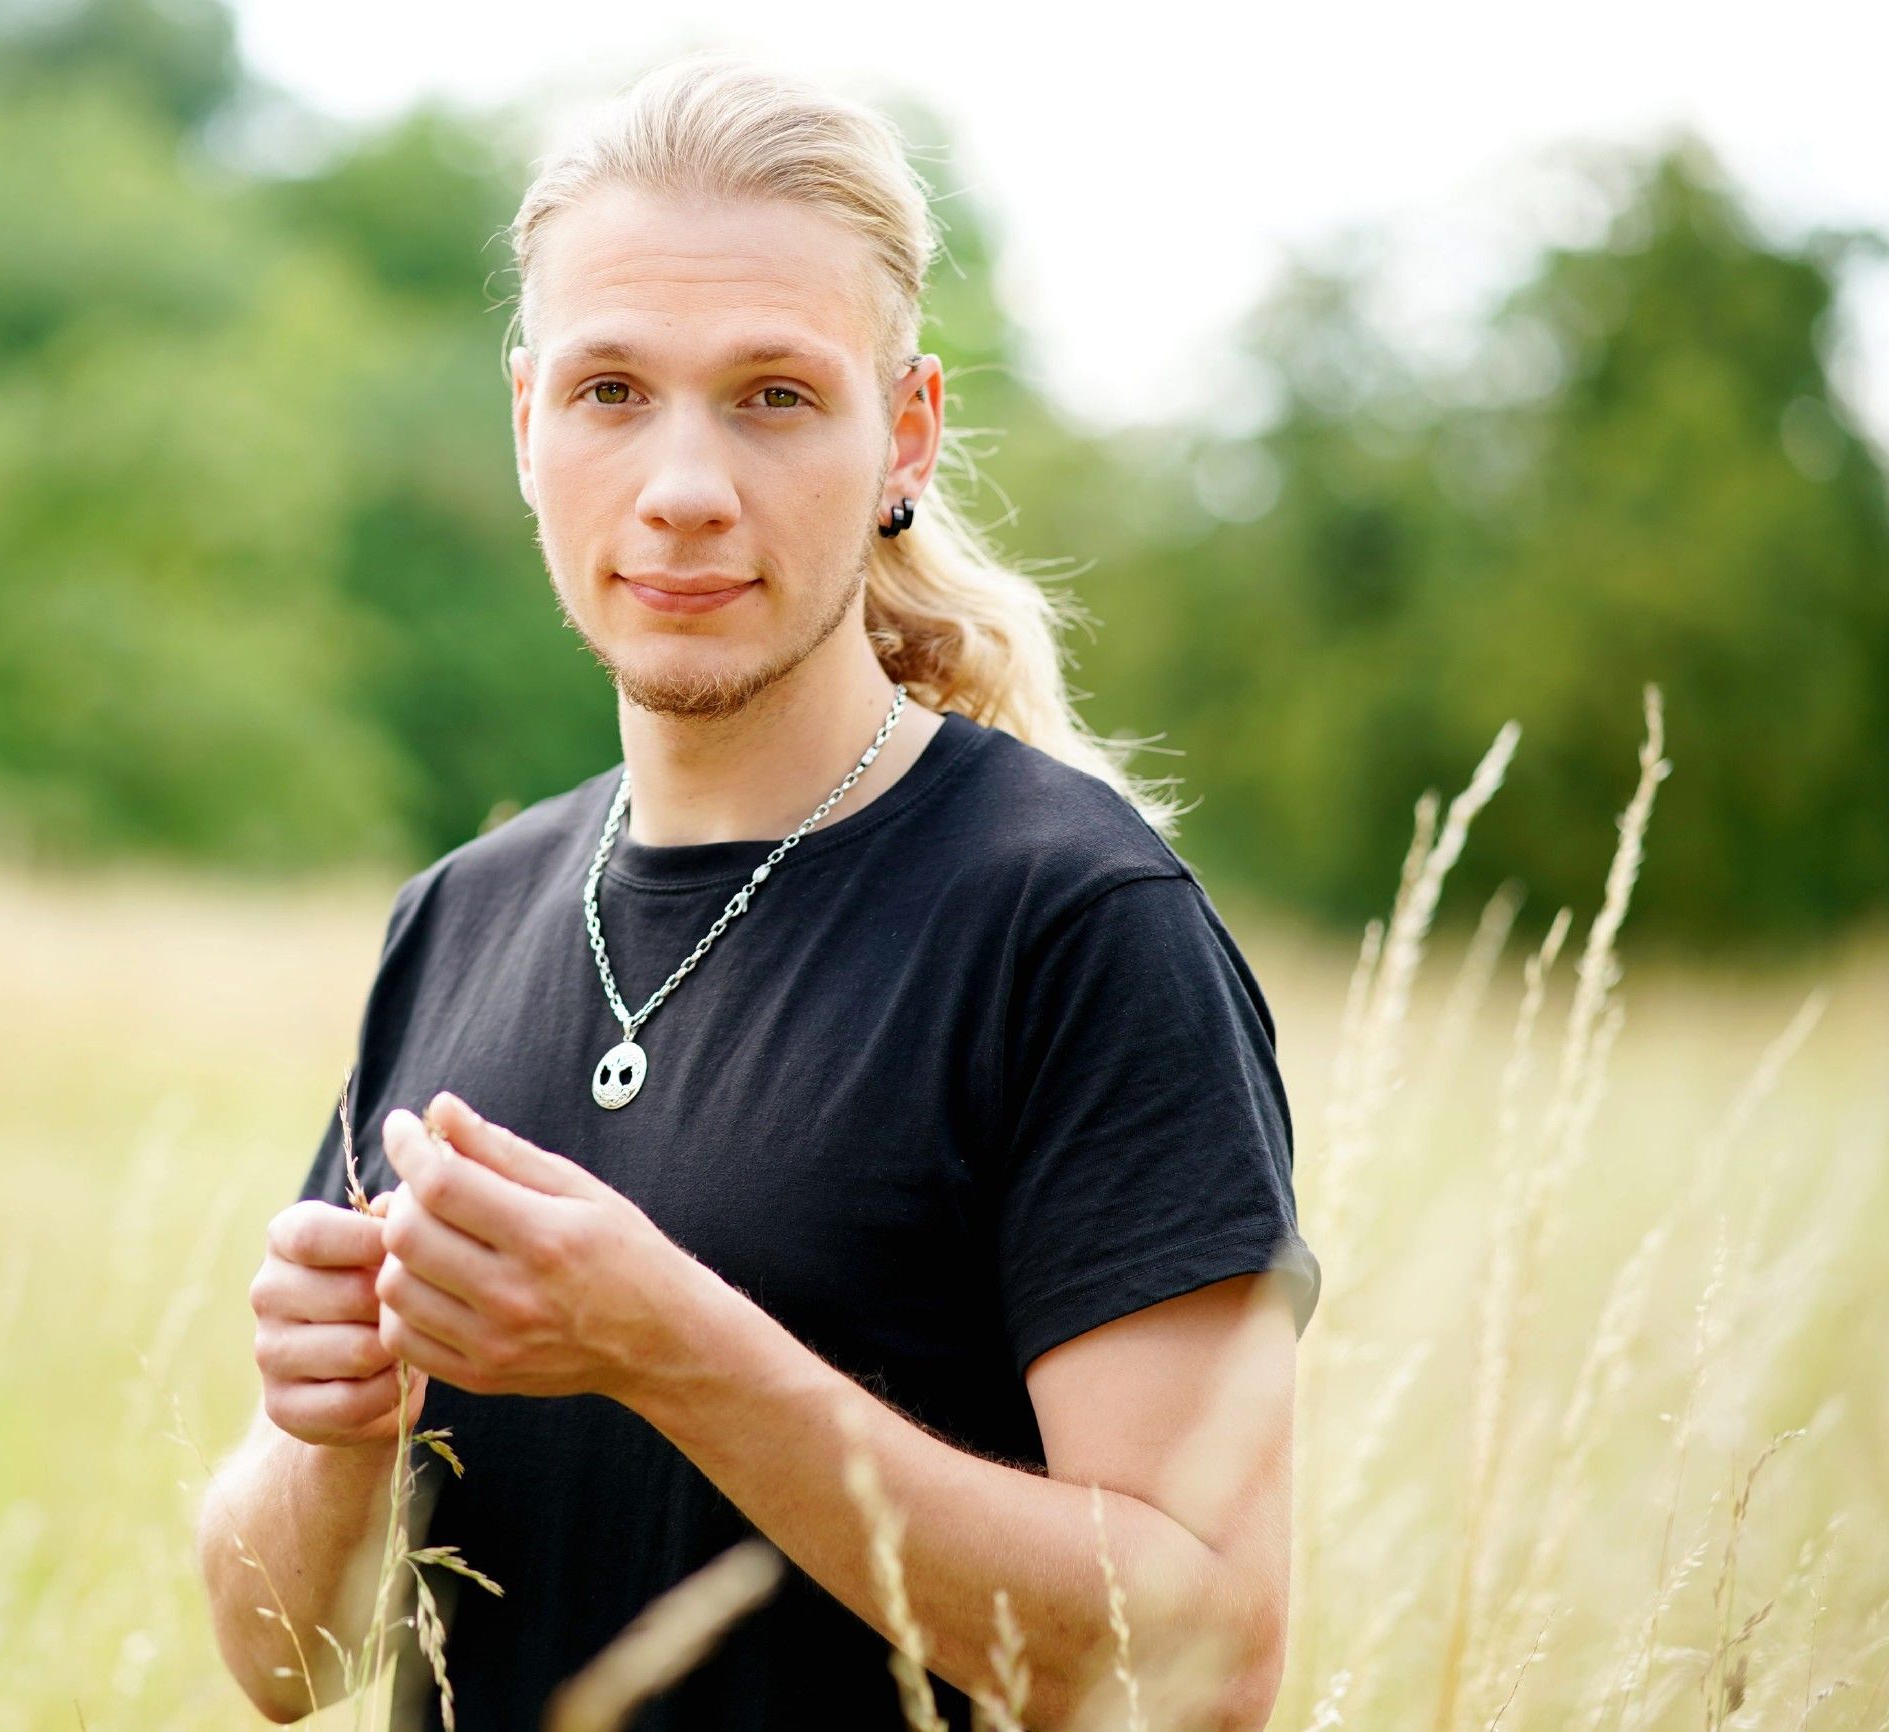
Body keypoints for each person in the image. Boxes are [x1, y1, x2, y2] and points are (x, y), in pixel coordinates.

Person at [196, 50, 1320, 1732]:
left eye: (775, 395)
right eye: (609, 392)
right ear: (526, 425)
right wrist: (333, 1435)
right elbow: (285, 1669)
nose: (683, 488)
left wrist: (674, 1350)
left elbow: (1204, 1664)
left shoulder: (1071, 923)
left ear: (905, 433)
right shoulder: (461, 914)